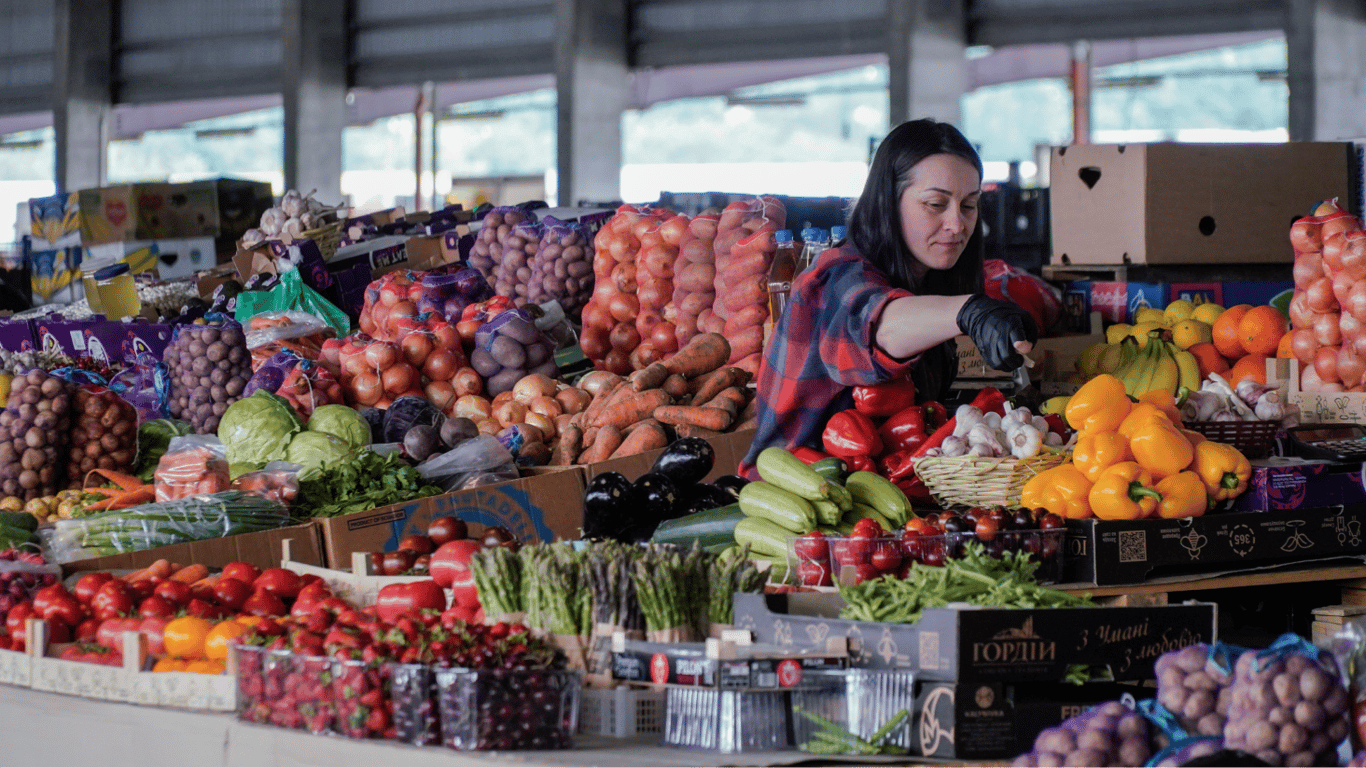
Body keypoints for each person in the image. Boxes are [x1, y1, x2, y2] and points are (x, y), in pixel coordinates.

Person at [738, 118, 1038, 478]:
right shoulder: (838, 276)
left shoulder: (926, 281)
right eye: (935, 204)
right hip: (790, 502)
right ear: (888, 203)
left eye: (969, 205)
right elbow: (879, 326)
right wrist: (968, 310)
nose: (957, 225)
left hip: (867, 494)